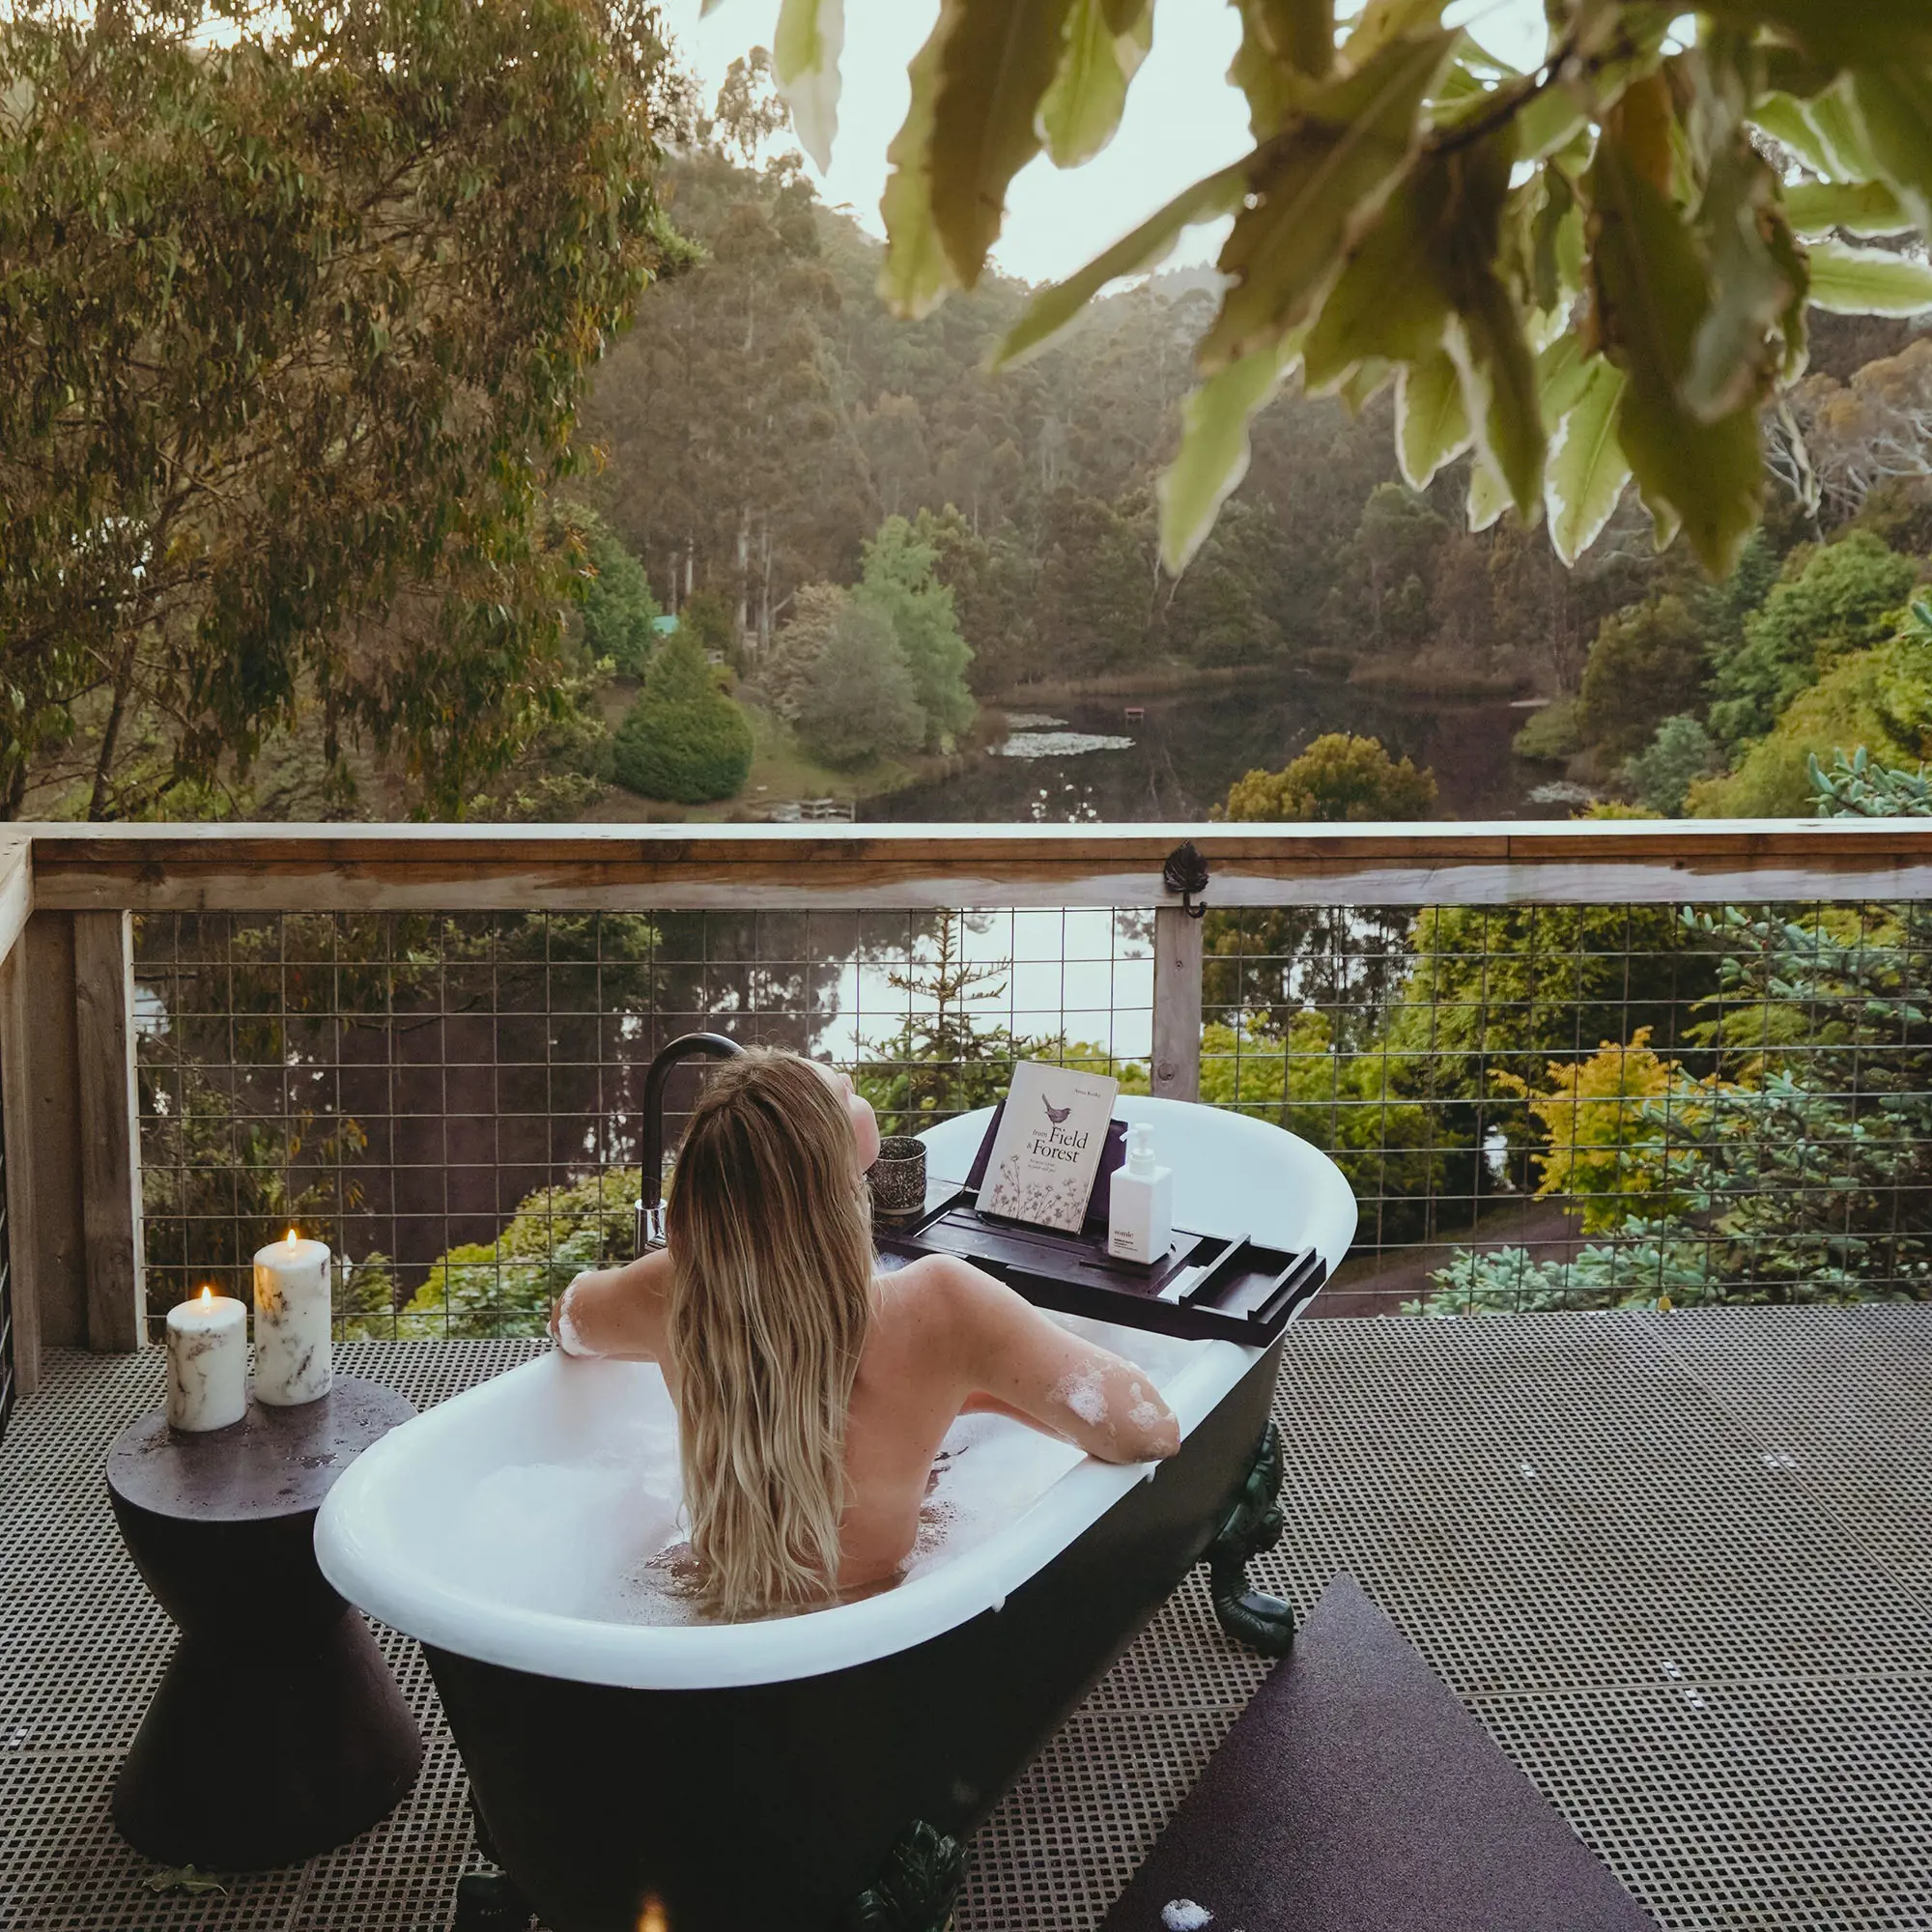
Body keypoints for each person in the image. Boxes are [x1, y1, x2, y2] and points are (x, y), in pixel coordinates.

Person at [550, 1048, 1180, 1620]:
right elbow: (1146, 1427)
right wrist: (973, 1391)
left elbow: (570, 1323)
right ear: (829, 1178)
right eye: (837, 1089)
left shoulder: (666, 1291)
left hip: (700, 1613)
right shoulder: (940, 1305)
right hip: (877, 1624)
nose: (844, 1076)